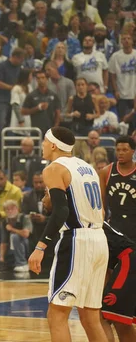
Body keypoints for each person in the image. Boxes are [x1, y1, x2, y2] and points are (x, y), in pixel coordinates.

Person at [28, 126, 108, 342]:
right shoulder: (87, 167)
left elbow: (62, 211)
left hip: (77, 241)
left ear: (53, 145)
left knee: (57, 314)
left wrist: (40, 246)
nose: (42, 145)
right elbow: (99, 209)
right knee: (90, 316)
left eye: (45, 141)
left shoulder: (54, 168)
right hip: (99, 238)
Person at [99, 221, 136, 342]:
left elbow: (103, 270)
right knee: (121, 320)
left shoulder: (84, 224)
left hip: (128, 260)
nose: (43, 201)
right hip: (128, 260)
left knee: (100, 317)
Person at [99, 136, 136, 242]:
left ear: (133, 151)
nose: (120, 153)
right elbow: (101, 201)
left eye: (125, 150)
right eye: (118, 150)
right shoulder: (106, 172)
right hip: (114, 223)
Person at [0, 200, 32, 272]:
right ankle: (12, 263)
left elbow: (26, 234)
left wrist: (12, 229)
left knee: (15, 236)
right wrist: (2, 259)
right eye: (7, 209)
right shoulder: (4, 222)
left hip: (27, 246)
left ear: (18, 209)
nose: (10, 211)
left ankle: (22, 263)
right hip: (11, 248)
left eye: (12, 209)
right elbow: (4, 242)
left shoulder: (24, 218)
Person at [21, 70, 61, 136]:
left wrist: (55, 127)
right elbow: (23, 111)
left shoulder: (53, 95)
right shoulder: (31, 95)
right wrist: (37, 108)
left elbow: (57, 112)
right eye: (38, 78)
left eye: (43, 78)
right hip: (36, 130)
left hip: (50, 130)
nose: (41, 80)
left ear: (47, 79)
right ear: (36, 80)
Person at [109, 33, 136, 120]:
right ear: (121, 42)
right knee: (122, 119)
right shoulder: (115, 56)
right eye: (124, 39)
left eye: (128, 38)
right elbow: (112, 75)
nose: (126, 40)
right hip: (121, 93)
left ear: (132, 41)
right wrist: (115, 90)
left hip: (134, 93)